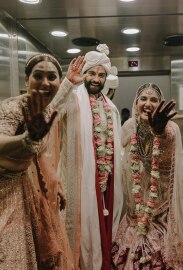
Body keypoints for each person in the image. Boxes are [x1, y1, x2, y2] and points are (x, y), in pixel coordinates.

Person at [0, 53, 85, 269]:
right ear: (26, 80)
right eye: (38, 76)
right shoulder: (12, 109)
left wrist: (54, 182)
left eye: (52, 77)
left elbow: (54, 103)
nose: (45, 83)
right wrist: (25, 139)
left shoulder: (42, 110)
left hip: (25, 189)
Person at [112, 83, 183, 269]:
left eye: (154, 100)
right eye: (143, 98)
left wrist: (159, 132)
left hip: (163, 210)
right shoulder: (128, 127)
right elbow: (127, 167)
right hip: (135, 213)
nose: (148, 103)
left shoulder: (170, 128)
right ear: (136, 103)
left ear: (160, 104)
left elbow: (166, 163)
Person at [59, 44, 124, 270]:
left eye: (101, 75)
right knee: (83, 231)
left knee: (102, 227)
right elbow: (52, 114)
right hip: (80, 178)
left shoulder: (111, 108)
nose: (96, 79)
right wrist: (67, 84)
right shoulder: (73, 99)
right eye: (92, 73)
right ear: (84, 73)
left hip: (104, 180)